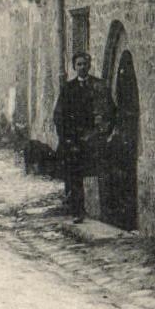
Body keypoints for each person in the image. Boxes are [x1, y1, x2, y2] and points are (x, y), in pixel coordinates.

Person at [51, 52, 115, 220]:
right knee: (75, 176)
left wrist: (102, 132)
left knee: (101, 174)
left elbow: (110, 111)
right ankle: (78, 211)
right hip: (74, 140)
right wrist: (67, 138)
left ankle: (104, 213)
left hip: (94, 139)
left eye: (85, 64)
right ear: (74, 67)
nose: (82, 67)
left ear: (90, 65)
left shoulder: (99, 86)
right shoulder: (68, 88)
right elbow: (59, 115)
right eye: (79, 64)